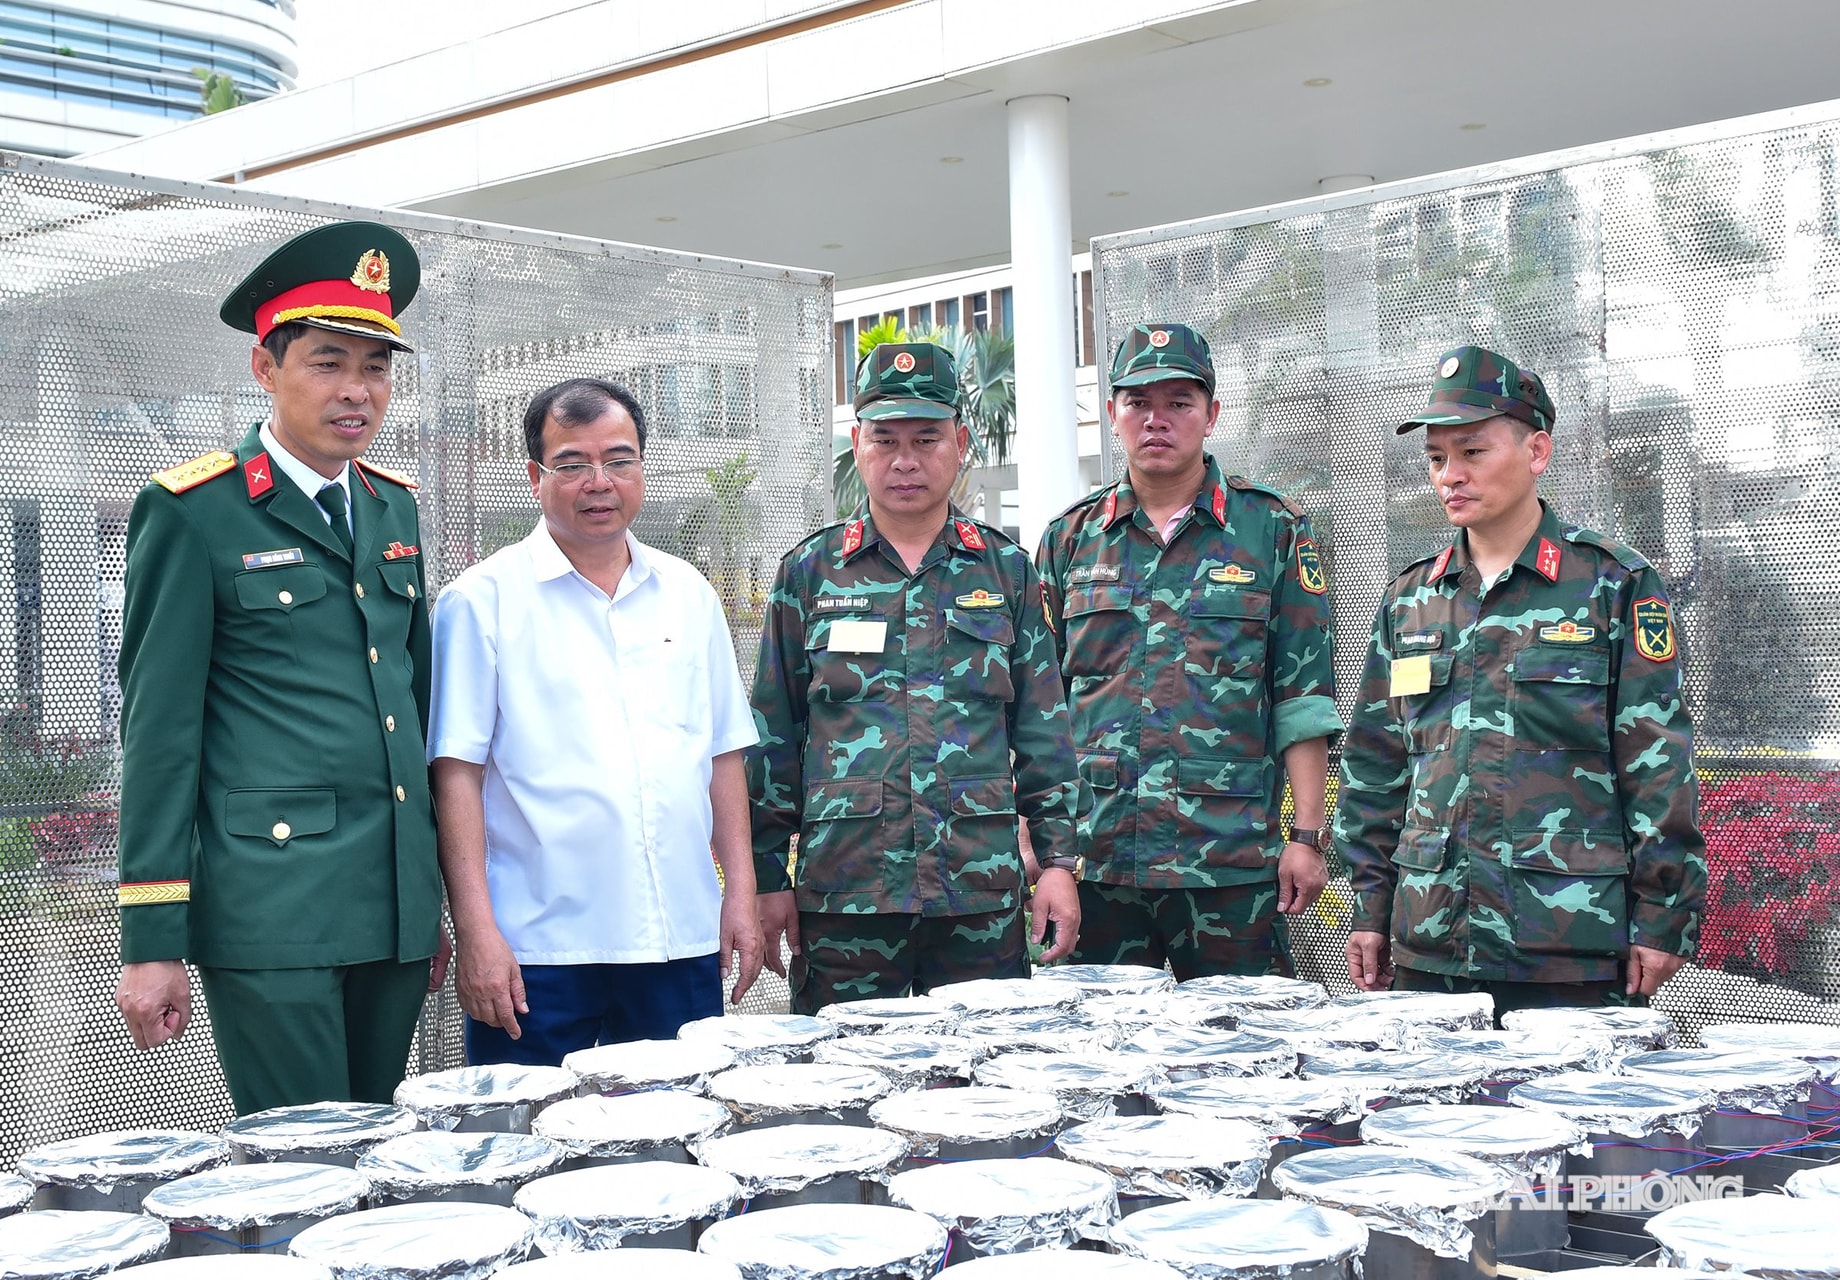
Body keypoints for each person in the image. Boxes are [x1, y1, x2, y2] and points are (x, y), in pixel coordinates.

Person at [114, 221, 447, 1113]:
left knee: (374, 1147)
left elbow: (413, 712)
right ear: (267, 369)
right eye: (328, 362)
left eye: (376, 368)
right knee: (298, 1165)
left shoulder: (392, 509)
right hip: (274, 907)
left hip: (393, 912)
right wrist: (152, 935)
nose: (357, 391)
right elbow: (159, 734)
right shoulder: (195, 512)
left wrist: (430, 901)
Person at [1336, 345, 1706, 1018]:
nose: (1451, 475)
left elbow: (1657, 762)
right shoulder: (1411, 599)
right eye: (1437, 458)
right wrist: (1370, 908)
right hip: (1433, 944)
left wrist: (1663, 915)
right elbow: (1375, 764)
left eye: (1473, 452)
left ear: (1537, 452)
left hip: (1570, 943)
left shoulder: (1611, 585)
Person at [429, 378, 763, 1063]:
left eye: (619, 459)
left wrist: (742, 898)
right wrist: (476, 931)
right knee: (530, 1147)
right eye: (573, 464)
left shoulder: (688, 594)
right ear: (535, 476)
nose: (599, 482)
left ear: (643, 467)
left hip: (679, 937)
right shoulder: (480, 602)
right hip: (537, 951)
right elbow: (455, 776)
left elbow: (724, 753)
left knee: (676, 1145)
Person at [749, 341, 1081, 1013]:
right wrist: (763, 878)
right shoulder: (809, 575)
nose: (905, 460)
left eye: (927, 438)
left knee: (984, 1090)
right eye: (885, 438)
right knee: (840, 1089)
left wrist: (1056, 865)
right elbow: (773, 735)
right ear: (857, 444)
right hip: (845, 898)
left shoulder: (1007, 573)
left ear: (961, 442)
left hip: (978, 899)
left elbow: (1045, 731)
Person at [1034, 323, 1342, 981]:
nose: (1157, 420)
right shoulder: (1070, 541)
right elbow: (1038, 709)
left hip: (1230, 863)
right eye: (1138, 402)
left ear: (1211, 415)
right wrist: (1040, 845)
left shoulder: (1273, 530)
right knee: (1098, 1061)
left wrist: (1308, 838)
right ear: (1112, 414)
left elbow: (1303, 696)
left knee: (1244, 1058)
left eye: (1179, 402)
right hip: (1100, 863)